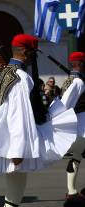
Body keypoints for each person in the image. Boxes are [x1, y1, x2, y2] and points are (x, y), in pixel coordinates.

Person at [0, 34, 78, 207]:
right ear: (26, 52)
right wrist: (18, 149)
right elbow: (17, 113)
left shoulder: (6, 72)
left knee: (13, 193)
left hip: (7, 136)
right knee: (14, 195)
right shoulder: (20, 77)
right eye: (33, 54)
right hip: (13, 140)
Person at [61, 51, 85, 199]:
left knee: (77, 156)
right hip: (82, 122)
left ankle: (71, 191)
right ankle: (71, 191)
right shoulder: (78, 82)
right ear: (81, 64)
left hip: (77, 123)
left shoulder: (69, 80)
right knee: (77, 156)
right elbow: (65, 104)